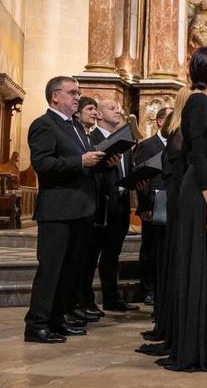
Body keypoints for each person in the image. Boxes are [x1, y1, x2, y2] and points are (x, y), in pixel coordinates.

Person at [25, 76, 112, 343]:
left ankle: (57, 318)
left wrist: (103, 161)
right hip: (57, 210)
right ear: (55, 97)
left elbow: (82, 163)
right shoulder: (44, 125)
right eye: (72, 93)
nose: (77, 97)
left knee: (70, 270)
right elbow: (43, 164)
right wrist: (80, 160)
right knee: (51, 269)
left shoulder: (74, 126)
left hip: (80, 209)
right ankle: (37, 323)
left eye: (78, 93)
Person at [163, 46, 207, 371]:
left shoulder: (204, 102)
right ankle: (195, 348)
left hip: (206, 188)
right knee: (200, 265)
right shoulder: (199, 102)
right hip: (202, 191)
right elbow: (200, 156)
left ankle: (201, 344)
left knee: (205, 266)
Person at [138, 87, 192, 357]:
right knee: (154, 252)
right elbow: (143, 178)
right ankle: (152, 292)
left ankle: (163, 312)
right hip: (163, 202)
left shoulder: (181, 138)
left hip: (174, 203)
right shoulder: (160, 142)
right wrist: (145, 205)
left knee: (167, 258)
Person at [89, 99, 138, 312]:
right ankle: (86, 301)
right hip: (101, 205)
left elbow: (126, 171)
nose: (118, 111)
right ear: (98, 115)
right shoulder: (91, 139)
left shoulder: (123, 140)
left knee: (112, 255)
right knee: (91, 256)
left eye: (118, 108)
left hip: (121, 205)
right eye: (111, 108)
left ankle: (111, 298)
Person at [135, 107, 171, 311]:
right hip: (153, 200)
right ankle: (148, 288)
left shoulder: (178, 144)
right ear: (159, 122)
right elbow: (141, 177)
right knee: (151, 248)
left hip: (170, 200)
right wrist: (145, 205)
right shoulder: (148, 145)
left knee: (166, 247)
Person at [72, 96, 103, 321]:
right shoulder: (74, 134)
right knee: (74, 263)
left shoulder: (85, 135)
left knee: (84, 260)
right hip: (72, 203)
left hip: (89, 205)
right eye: (90, 108)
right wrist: (83, 161)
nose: (95, 113)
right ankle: (73, 306)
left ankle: (78, 304)